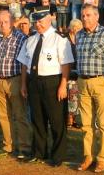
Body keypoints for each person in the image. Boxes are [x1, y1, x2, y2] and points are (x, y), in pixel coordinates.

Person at [18, 10, 73, 166]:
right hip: (34, 82)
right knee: (37, 119)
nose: (38, 25)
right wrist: (23, 84)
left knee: (56, 121)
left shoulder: (59, 39)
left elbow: (66, 64)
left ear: (49, 20)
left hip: (53, 83)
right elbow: (24, 64)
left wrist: (63, 86)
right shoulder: (30, 40)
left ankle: (57, 156)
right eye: (35, 22)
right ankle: (39, 152)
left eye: (40, 21)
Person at [74, 5, 104, 173]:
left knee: (103, 123)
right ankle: (88, 156)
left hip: (102, 81)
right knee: (85, 123)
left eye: (88, 15)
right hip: (82, 82)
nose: (85, 18)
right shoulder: (79, 35)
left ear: (97, 16)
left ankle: (102, 158)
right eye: (83, 15)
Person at [0, 10, 32, 159]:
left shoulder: (21, 38)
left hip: (14, 80)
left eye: (6, 22)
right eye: (0, 22)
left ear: (13, 22)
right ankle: (8, 145)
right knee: (3, 115)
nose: (2, 25)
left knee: (20, 115)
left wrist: (23, 83)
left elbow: (24, 63)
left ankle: (24, 147)